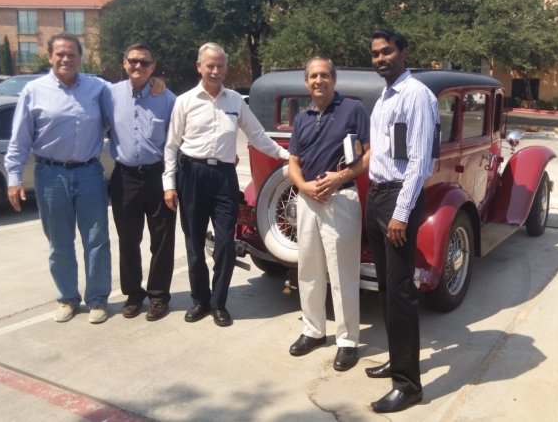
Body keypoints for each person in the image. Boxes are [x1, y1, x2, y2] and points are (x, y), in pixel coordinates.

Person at [163, 42, 289, 327]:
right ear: (199, 67)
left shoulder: (235, 101)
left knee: (225, 245)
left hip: (223, 177)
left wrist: (286, 156)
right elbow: (171, 146)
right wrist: (168, 184)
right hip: (192, 175)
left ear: (226, 68)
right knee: (194, 243)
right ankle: (200, 300)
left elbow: (257, 136)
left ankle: (218, 303)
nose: (215, 70)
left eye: (220, 66)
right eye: (210, 65)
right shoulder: (184, 101)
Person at [5, 33, 112, 324]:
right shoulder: (34, 90)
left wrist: (154, 83)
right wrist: (14, 177)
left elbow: (129, 95)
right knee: (59, 242)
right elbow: (19, 138)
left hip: (89, 173)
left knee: (97, 239)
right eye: (60, 54)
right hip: (50, 175)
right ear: (50, 56)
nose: (66, 59)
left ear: (80, 57)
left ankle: (98, 299)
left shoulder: (98, 88)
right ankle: (67, 298)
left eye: (72, 54)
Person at [364, 29, 439, 413]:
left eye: (387, 51)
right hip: (377, 195)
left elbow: (419, 162)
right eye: (376, 53)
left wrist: (400, 213)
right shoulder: (385, 97)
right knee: (386, 288)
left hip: (398, 199)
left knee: (401, 292)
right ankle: (397, 360)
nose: (381, 59)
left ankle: (408, 385)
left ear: (404, 51)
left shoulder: (416, 95)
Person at [287, 57, 370, 371]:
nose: (318, 80)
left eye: (324, 75)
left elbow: (369, 154)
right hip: (308, 200)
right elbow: (293, 163)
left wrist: (339, 178)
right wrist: (304, 187)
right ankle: (313, 330)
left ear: (333, 79)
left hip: (341, 198)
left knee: (342, 273)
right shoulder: (302, 117)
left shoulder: (353, 109)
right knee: (308, 270)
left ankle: (347, 341)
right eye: (313, 76)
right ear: (306, 82)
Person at [102, 44, 177, 321]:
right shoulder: (109, 95)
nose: (138, 67)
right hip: (125, 177)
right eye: (133, 61)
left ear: (153, 67)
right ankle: (134, 294)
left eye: (145, 63)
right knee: (128, 239)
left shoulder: (167, 99)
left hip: (158, 176)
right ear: (124, 63)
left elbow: (177, 141)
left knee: (162, 239)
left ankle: (158, 296)